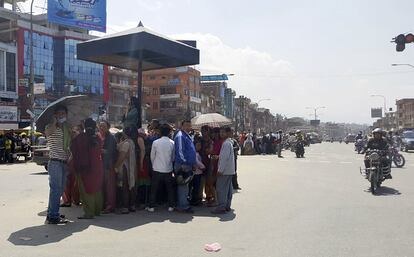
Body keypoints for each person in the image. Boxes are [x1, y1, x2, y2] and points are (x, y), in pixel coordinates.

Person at [71, 118, 104, 219]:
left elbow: (73, 150)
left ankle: (89, 213)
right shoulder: (98, 138)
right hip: (97, 167)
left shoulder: (80, 137)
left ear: (85, 126)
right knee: (97, 188)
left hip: (83, 168)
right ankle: (97, 210)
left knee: (85, 190)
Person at [44, 105, 71, 224]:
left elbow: (67, 145)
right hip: (55, 161)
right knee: (56, 190)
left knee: (59, 190)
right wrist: (55, 123)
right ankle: (53, 216)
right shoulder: (50, 127)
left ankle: (51, 214)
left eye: (63, 114)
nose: (61, 116)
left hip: (64, 162)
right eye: (59, 114)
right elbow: (48, 133)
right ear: (55, 115)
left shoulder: (66, 128)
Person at [147, 124, 175, 212]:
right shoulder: (172, 143)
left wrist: (154, 165)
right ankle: (171, 206)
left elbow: (152, 156)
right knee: (169, 189)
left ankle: (151, 206)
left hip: (157, 168)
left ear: (160, 132)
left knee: (154, 189)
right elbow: (173, 157)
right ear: (169, 132)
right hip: (168, 168)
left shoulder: (156, 142)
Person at [174, 120, 196, 213]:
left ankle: (184, 204)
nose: (188, 127)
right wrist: (184, 163)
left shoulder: (187, 136)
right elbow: (180, 151)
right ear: (182, 126)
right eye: (186, 125)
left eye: (189, 126)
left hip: (188, 164)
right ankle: (182, 206)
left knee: (185, 185)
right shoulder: (180, 136)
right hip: (183, 165)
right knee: (183, 185)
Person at [212, 127, 235, 214]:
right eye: (221, 132)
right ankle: (227, 205)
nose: (221, 134)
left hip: (225, 170)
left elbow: (225, 158)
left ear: (228, 133)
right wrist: (218, 157)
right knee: (228, 189)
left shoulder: (226, 144)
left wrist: (220, 170)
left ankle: (221, 207)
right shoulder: (228, 143)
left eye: (223, 132)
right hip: (229, 170)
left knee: (221, 188)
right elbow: (225, 157)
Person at [114, 129, 136, 214]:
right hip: (131, 166)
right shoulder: (132, 142)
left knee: (125, 188)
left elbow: (122, 156)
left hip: (125, 167)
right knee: (131, 186)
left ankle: (125, 207)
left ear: (125, 133)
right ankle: (132, 205)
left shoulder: (126, 143)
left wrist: (116, 166)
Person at [99, 121, 118, 214]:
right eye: (100, 126)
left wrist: (100, 150)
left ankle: (110, 206)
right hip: (101, 165)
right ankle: (103, 204)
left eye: (103, 126)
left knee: (109, 187)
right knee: (102, 187)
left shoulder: (111, 138)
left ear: (108, 127)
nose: (101, 128)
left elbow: (110, 152)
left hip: (108, 165)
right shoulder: (99, 136)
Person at [61, 125, 82, 207]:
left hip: (73, 162)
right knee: (68, 182)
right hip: (69, 162)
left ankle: (73, 200)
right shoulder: (67, 139)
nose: (73, 133)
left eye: (74, 132)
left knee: (74, 182)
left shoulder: (77, 139)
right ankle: (69, 200)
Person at [189, 136, 206, 206]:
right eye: (198, 145)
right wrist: (203, 167)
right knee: (196, 187)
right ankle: (194, 200)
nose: (199, 147)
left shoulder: (197, 153)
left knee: (196, 187)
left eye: (200, 145)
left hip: (197, 173)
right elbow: (197, 162)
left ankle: (195, 199)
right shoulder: (194, 153)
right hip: (196, 173)